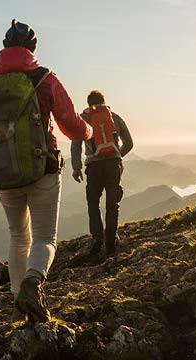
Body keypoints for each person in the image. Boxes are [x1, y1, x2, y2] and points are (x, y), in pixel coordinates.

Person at [0, 19, 92, 323]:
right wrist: (88, 131)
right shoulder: (45, 79)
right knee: (44, 238)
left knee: (18, 236)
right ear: (33, 48)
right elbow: (70, 124)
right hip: (42, 171)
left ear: (4, 48)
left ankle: (19, 307)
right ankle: (33, 282)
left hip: (2, 176)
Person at [71, 90, 134, 256]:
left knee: (93, 202)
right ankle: (111, 240)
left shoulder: (83, 119)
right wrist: (117, 155)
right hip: (114, 165)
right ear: (103, 101)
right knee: (112, 203)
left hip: (94, 167)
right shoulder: (113, 116)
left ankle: (97, 237)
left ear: (88, 103)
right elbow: (129, 143)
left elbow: (76, 144)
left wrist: (76, 167)